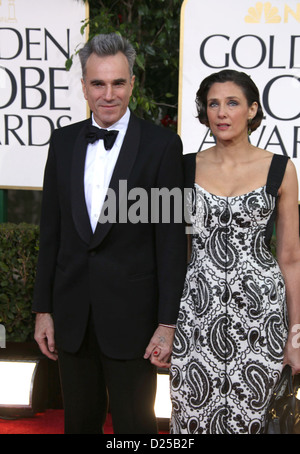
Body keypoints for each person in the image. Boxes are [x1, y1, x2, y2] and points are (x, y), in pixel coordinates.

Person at [32, 33, 187, 434]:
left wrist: (167, 323)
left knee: (136, 426)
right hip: (72, 316)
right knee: (79, 423)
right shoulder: (63, 141)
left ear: (132, 83)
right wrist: (43, 309)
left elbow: (169, 241)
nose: (108, 94)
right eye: (98, 83)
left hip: (133, 320)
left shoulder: (162, 146)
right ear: (83, 85)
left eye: (118, 83)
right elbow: (51, 231)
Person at [170, 69, 300, 434]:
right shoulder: (184, 167)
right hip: (197, 314)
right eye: (213, 104)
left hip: (263, 320)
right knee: (193, 415)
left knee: (257, 420)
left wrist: (296, 337)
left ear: (252, 110)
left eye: (232, 103)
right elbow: (168, 249)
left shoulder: (280, 169)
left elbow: (290, 259)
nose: (222, 113)